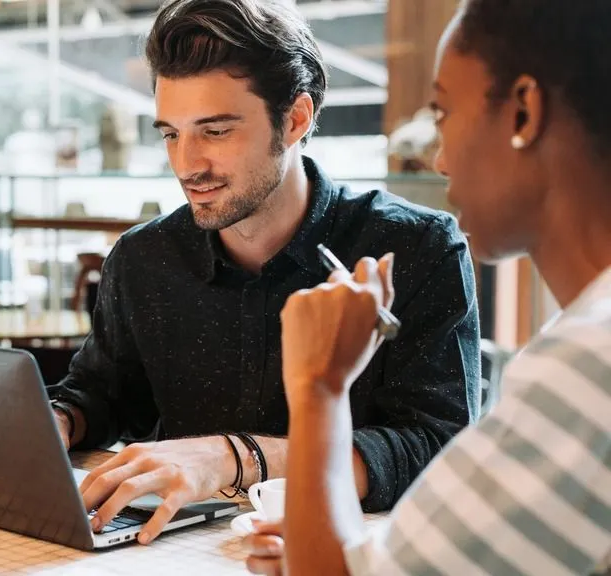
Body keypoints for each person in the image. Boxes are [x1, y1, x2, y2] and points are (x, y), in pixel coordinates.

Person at [46, 0, 481, 546]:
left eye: (216, 131)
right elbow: (103, 394)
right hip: (162, 553)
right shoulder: (142, 258)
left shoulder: (414, 247)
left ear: (295, 119)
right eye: (171, 134)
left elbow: (438, 450)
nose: (187, 164)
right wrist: (54, 422)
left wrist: (231, 457)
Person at [244, 0, 611, 574]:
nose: (438, 159)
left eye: (442, 111)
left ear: (522, 113)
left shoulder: (589, 364)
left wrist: (319, 386)